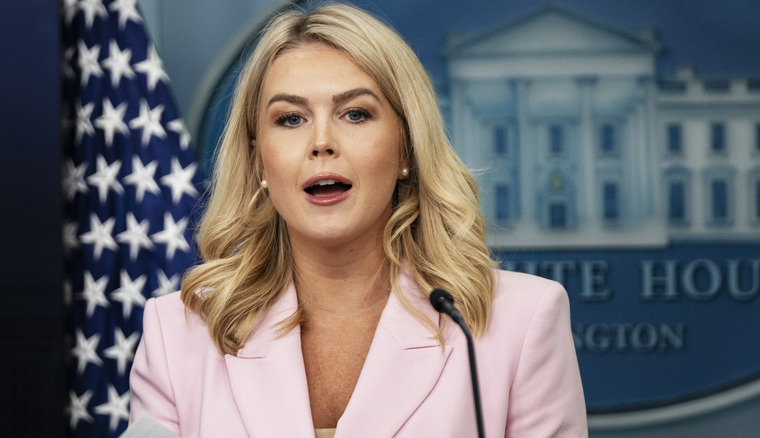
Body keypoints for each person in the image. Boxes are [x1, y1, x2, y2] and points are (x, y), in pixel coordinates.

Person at [129, 3, 587, 437]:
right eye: (290, 119)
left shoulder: (521, 321)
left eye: (355, 113)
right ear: (258, 161)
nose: (322, 141)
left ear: (406, 148)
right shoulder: (178, 335)